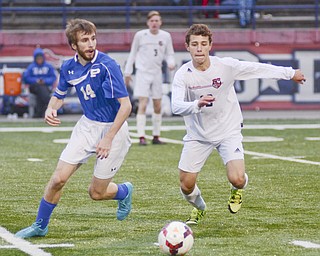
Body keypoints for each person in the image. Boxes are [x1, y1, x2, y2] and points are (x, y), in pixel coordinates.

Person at [171, 24, 306, 225]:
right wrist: (196, 104)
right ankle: (199, 208)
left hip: (228, 131)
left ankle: (237, 190)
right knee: (186, 185)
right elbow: (175, 106)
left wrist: (289, 72)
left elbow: (257, 68)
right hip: (198, 135)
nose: (199, 48)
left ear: (210, 46)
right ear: (187, 47)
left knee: (237, 179)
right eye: (195, 44)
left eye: (203, 44)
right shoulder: (183, 74)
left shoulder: (226, 66)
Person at [15, 18, 133, 238]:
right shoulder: (68, 67)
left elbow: (126, 106)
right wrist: (51, 108)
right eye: (85, 40)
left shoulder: (108, 65)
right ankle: (41, 225)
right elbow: (59, 95)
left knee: (96, 193)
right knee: (58, 179)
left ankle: (124, 191)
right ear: (73, 46)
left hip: (114, 129)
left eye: (93, 39)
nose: (91, 44)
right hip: (87, 126)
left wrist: (108, 138)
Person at [124, 10, 176, 146]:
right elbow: (132, 54)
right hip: (142, 73)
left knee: (157, 104)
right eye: (152, 21)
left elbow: (170, 53)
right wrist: (128, 72)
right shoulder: (140, 35)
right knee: (143, 102)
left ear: (160, 22)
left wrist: (171, 62)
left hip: (157, 73)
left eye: (157, 20)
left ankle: (156, 135)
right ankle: (141, 136)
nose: (154, 23)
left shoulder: (165, 36)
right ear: (148, 22)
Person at [23, 47, 57, 118]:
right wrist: (36, 80)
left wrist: (44, 81)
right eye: (38, 58)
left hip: (45, 86)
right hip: (34, 87)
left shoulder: (48, 66)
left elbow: (53, 78)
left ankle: (39, 113)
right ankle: (47, 103)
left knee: (41, 91)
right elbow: (26, 78)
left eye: (40, 58)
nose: (39, 60)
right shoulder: (31, 67)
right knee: (40, 88)